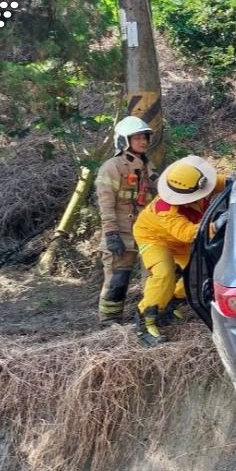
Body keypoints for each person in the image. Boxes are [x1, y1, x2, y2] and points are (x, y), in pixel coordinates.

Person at [132, 155, 226, 346]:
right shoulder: (165, 210)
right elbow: (187, 233)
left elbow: (226, 182)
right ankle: (145, 319)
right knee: (163, 274)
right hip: (154, 238)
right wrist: (216, 225)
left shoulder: (201, 183)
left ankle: (171, 301)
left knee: (201, 272)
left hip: (180, 240)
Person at [94, 116, 154, 324]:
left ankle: (150, 315)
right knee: (117, 279)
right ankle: (109, 321)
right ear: (124, 141)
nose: (143, 142)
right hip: (121, 232)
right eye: (137, 138)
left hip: (146, 231)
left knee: (154, 275)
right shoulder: (112, 167)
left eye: (144, 137)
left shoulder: (148, 166)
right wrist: (111, 234)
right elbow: (106, 204)